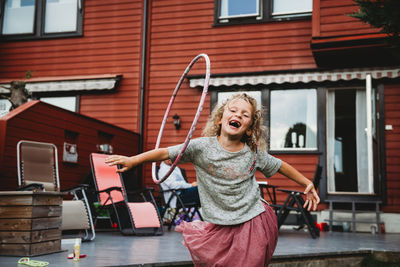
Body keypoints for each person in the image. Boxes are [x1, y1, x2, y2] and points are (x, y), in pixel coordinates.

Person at [105, 93, 320, 267]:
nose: (238, 115)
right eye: (233, 110)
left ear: (250, 128)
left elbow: (280, 165)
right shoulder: (201, 148)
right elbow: (164, 153)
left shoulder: (252, 153)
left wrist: (306, 183)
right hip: (221, 224)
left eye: (245, 115)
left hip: (253, 220)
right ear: (220, 118)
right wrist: (133, 160)